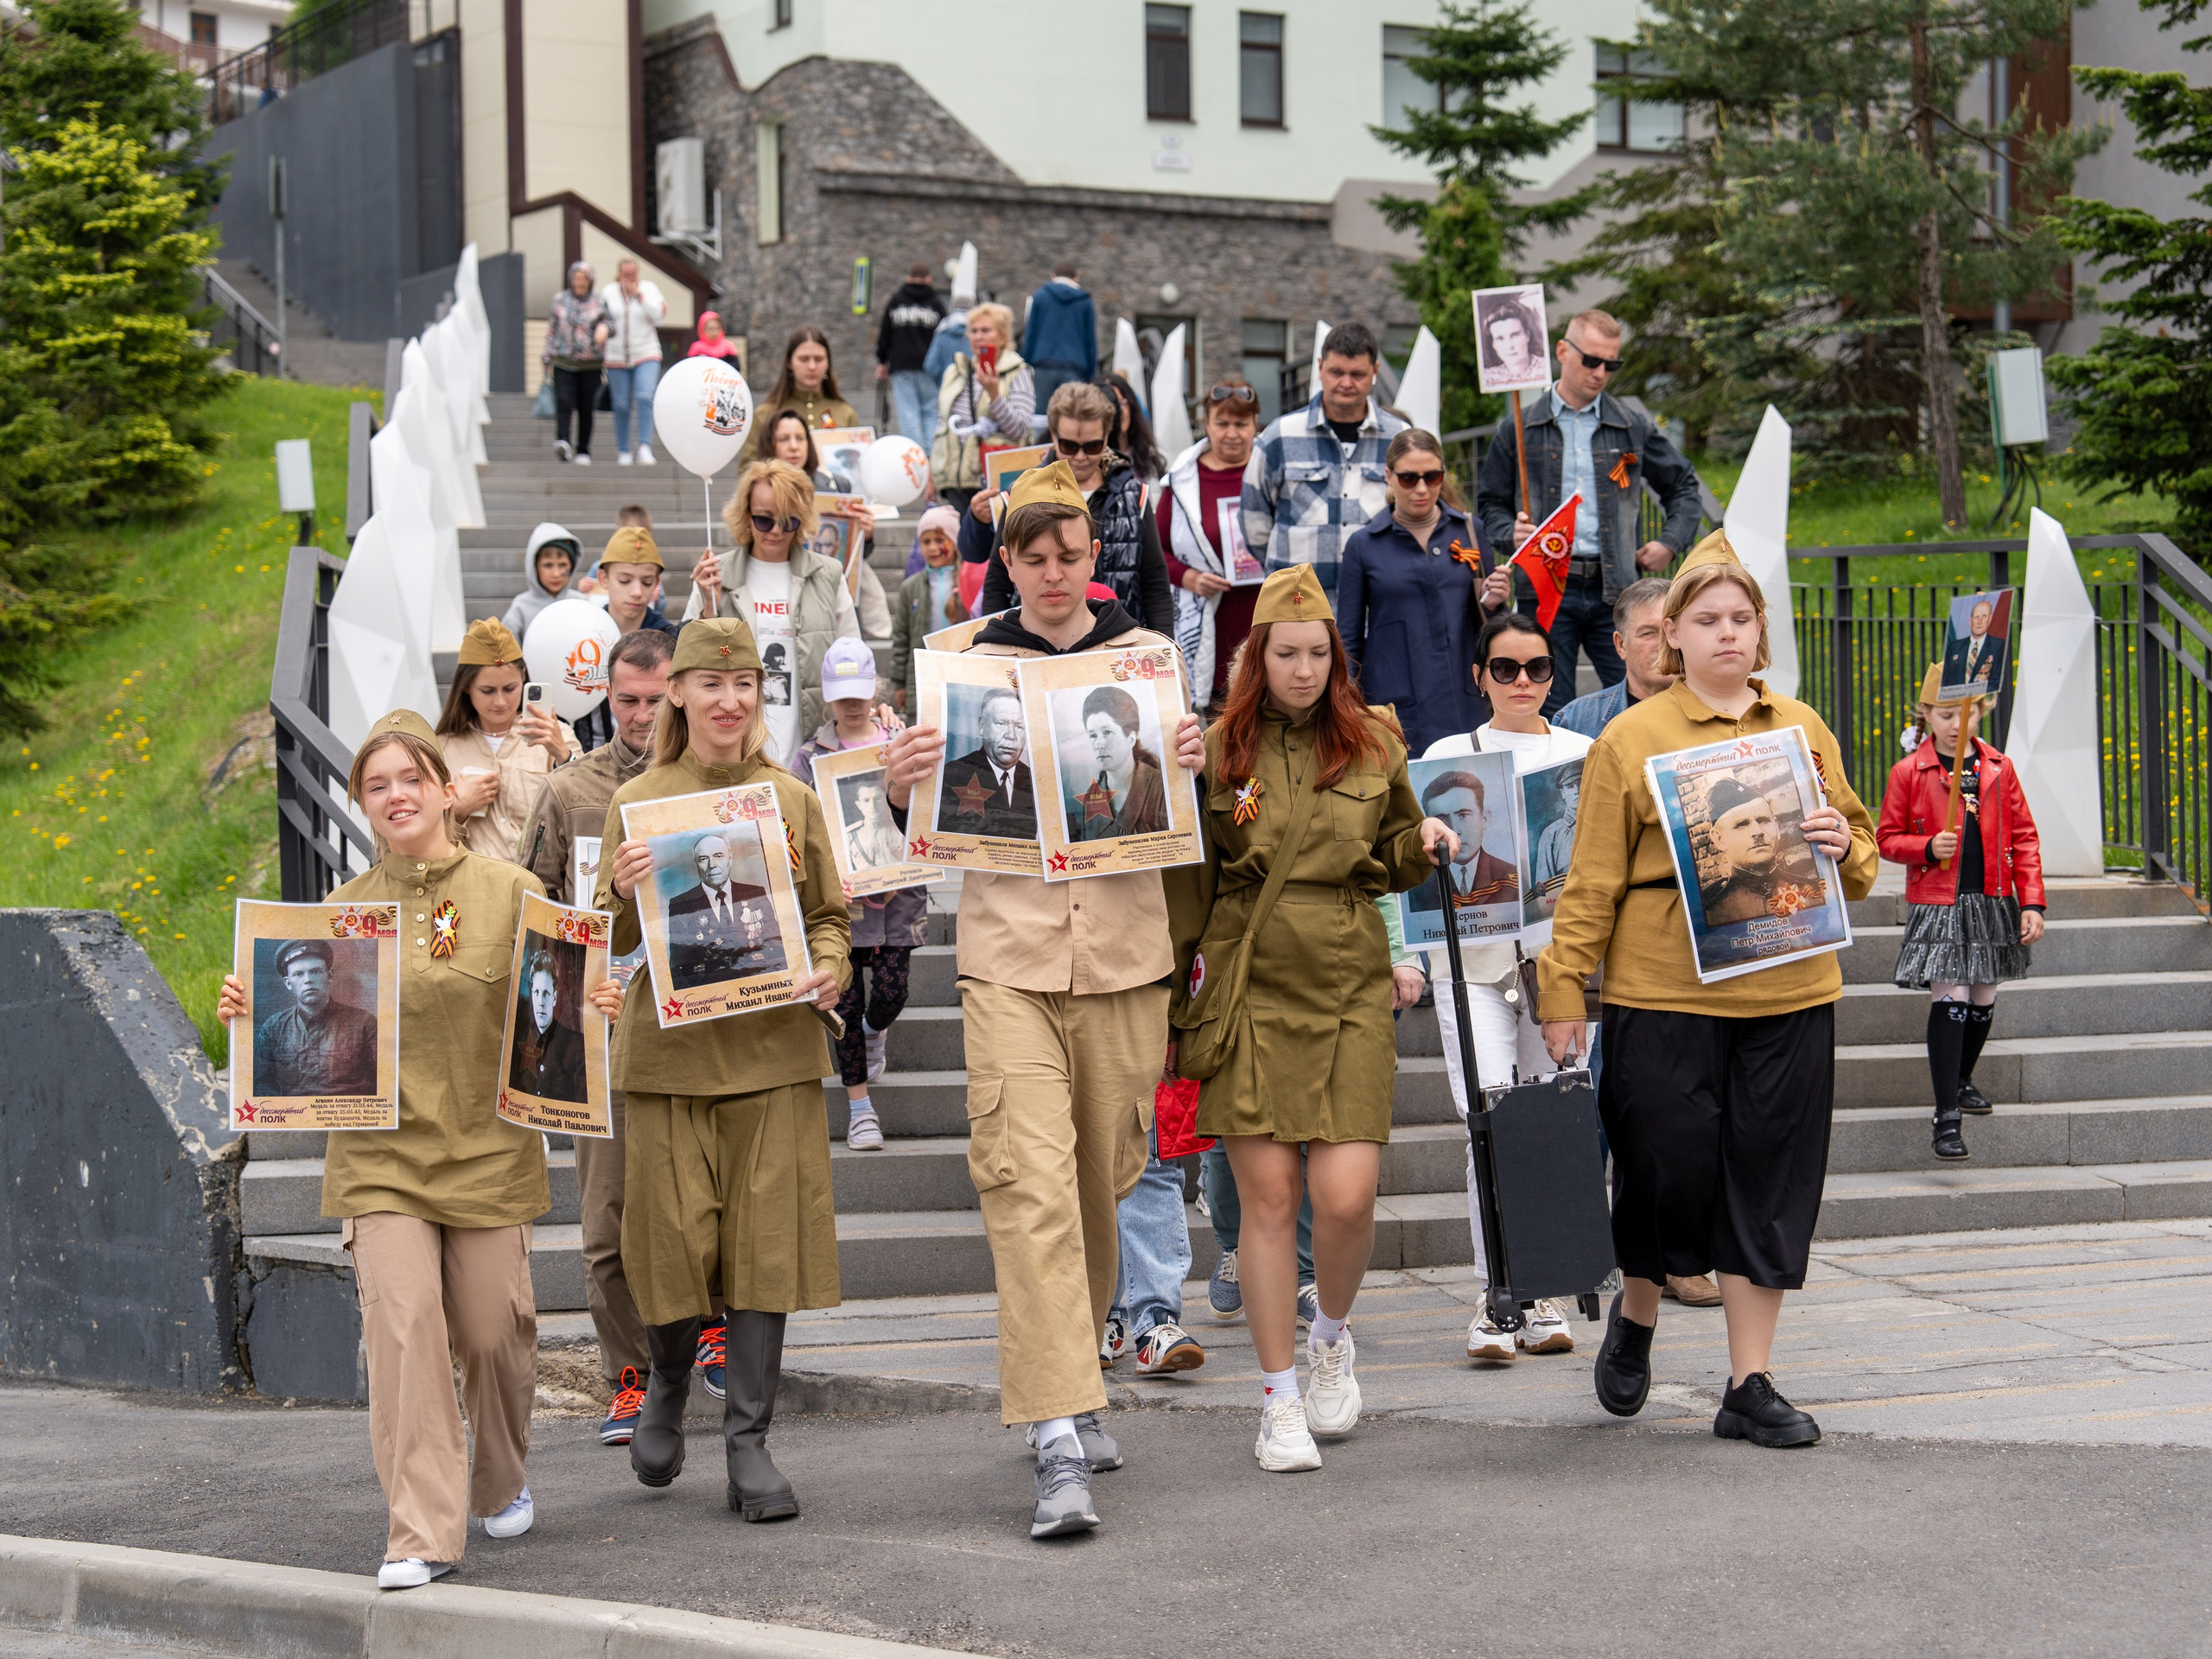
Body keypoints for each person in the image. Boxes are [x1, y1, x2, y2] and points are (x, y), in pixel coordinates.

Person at [881, 460, 1206, 1540]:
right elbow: (919, 827)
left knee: (1100, 1180)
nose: (1055, 571)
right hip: (1007, 961)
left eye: (1070, 553)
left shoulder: (1146, 660)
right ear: (1010, 564)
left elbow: (1183, 811)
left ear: (1093, 556)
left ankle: (1078, 1374)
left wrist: (1193, 758)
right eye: (1034, 556)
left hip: (1124, 961)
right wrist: (901, 782)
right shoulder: (962, 665)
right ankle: (1056, 1432)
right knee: (1026, 1186)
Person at [1535, 540, 1878, 1450]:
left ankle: (1748, 1382)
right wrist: (1562, 987)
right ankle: (1638, 1311)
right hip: (1663, 993)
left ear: (1760, 630)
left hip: (1791, 990)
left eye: (1741, 618)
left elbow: (1860, 849)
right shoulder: (1629, 738)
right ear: (1671, 638)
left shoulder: (1800, 726)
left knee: (1770, 1180)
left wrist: (1842, 844)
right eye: (1705, 620)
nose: (1726, 633)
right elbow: (1591, 879)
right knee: (1662, 1165)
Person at [218, 710, 548, 1588]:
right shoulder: (339, 915)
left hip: (486, 1152)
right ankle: (420, 1532)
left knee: (494, 1335)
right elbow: (295, 1053)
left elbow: (555, 1013)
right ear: (362, 803)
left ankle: (502, 1477)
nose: (396, 795)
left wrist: (592, 1009)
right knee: (404, 1329)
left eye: (411, 778)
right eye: (376, 785)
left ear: (445, 789)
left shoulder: (512, 891)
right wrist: (244, 1016)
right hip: (380, 1161)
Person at [1166, 564, 1453, 1474]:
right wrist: (1175, 1001)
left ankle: (1330, 1334)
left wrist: (1425, 841)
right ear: (1257, 657)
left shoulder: (1374, 743)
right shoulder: (1216, 749)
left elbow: (1395, 850)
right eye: (1285, 654)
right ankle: (1278, 1396)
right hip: (1249, 977)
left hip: (1348, 979)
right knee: (1268, 1202)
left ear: (1337, 657)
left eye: (1317, 654)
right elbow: (1191, 881)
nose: (1302, 670)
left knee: (1347, 1197)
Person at [594, 616, 850, 1522]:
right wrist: (621, 890)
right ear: (678, 693)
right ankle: (667, 1379)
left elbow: (828, 918)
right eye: (711, 683)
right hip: (668, 1061)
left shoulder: (791, 800)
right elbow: (607, 939)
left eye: (744, 684)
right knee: (669, 1244)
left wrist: (831, 967)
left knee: (763, 1248)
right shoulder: (640, 803)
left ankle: (749, 1442)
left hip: (772, 1054)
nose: (729, 700)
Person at [1413, 610, 1593, 1361]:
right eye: (1505, 668)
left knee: (1547, 1121)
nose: (1523, 681)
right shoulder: (1447, 756)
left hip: (1560, 968)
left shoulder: (1584, 754)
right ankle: (1498, 1293)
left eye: (1538, 667)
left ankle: (1540, 1287)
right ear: (1479, 676)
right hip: (1473, 965)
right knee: (1487, 1118)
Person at [1543, 571, 1718, 1306]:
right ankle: (1591, 1253)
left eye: (1669, 629)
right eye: (1647, 632)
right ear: (1618, 644)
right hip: (1595, 930)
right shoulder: (1579, 722)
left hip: (1683, 940)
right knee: (1593, 1101)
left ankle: (1677, 1255)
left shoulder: (1716, 715)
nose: (1660, 645)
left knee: (1674, 1115)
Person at [514, 628, 671, 1444]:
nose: (643, 715)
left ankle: (711, 1339)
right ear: (607, 697)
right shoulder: (570, 790)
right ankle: (629, 1374)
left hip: (692, 1027)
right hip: (599, 1029)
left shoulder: (711, 786)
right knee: (606, 1221)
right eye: (629, 700)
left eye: (657, 699)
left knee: (698, 1207)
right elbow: (529, 907)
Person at [1475, 309, 1705, 716]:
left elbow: (1684, 485)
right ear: (1563, 352)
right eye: (1592, 360)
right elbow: (1490, 503)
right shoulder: (1518, 427)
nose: (1600, 372)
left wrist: (1670, 543)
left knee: (1644, 697)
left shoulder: (1631, 426)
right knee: (1550, 704)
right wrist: (1511, 532)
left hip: (1616, 587)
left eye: (1611, 364)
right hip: (1546, 585)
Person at [1878, 666, 2047, 1161]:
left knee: (1983, 998)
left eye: (1967, 714)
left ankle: (1963, 1077)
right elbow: (1886, 839)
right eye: (1946, 714)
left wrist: (2031, 901)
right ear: (1926, 714)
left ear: (1983, 711)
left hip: (1991, 898)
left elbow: (2024, 837)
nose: (1957, 724)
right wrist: (1927, 847)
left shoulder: (1999, 767)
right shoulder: (1909, 772)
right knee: (1951, 997)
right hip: (1940, 901)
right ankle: (1945, 1115)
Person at [794, 637, 925, 1154]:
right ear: (827, 695)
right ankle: (860, 1108)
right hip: (841, 903)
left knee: (892, 992)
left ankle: (875, 1031)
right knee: (844, 1003)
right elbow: (796, 829)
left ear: (875, 690)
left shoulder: (899, 740)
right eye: (841, 694)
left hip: (899, 896)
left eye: (859, 692)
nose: (851, 704)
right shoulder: (810, 757)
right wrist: (823, 874)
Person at [1335, 428, 1510, 756]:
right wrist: (1347, 705)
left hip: (1467, 696)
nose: (1421, 488)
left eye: (1432, 477)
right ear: (1388, 476)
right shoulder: (1363, 544)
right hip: (1394, 702)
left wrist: (1498, 601)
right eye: (1408, 478)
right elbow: (1347, 638)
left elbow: (1495, 624)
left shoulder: (1470, 530)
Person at [684, 459, 862, 766]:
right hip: (733, 746)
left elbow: (852, 656)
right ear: (746, 515)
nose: (777, 531)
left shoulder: (828, 574)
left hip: (811, 746)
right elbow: (686, 663)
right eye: (764, 520)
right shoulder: (716, 574)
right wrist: (708, 607)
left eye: (789, 520)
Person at [969, 380, 1174, 632]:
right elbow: (997, 582)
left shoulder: (1134, 495)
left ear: (1106, 437)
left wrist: (1165, 646)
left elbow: (1155, 583)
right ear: (1054, 437)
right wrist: (995, 642)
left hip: (1119, 643)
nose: (1080, 457)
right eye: (1069, 446)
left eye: (1092, 446)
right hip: (1036, 642)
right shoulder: (1021, 495)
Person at [1241, 321, 1408, 596]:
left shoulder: (1400, 438)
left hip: (1377, 602)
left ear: (1375, 371)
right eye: (1336, 372)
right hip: (1297, 604)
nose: (1346, 383)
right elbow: (1254, 522)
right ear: (1320, 367)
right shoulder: (1280, 436)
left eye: (1357, 374)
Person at [436, 619, 575, 863]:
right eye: (487, 691)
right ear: (466, 687)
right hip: (472, 883)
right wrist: (458, 810)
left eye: (510, 689)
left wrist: (564, 756)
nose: (500, 701)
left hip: (540, 882)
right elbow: (423, 838)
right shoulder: (441, 747)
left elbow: (586, 812)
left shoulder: (556, 734)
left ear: (523, 679)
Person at [1162, 382, 1260, 711]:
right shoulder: (1182, 480)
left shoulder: (1274, 470)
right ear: (1206, 424)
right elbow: (1157, 551)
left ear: (1255, 424)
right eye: (1222, 423)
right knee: (1223, 723)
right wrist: (1189, 577)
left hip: (1265, 614)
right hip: (1211, 625)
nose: (1232, 433)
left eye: (1241, 423)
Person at [760, 407, 891, 642]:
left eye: (800, 438)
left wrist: (866, 534)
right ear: (770, 445)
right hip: (781, 595)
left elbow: (854, 557)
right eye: (784, 439)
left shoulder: (837, 485)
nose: (794, 446)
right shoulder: (759, 491)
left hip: (833, 594)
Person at [931, 301, 1033, 518]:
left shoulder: (1018, 371)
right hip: (954, 479)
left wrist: (994, 394)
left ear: (1003, 336)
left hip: (992, 480)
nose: (978, 336)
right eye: (973, 331)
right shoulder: (955, 371)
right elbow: (941, 423)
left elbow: (1018, 429)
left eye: (986, 330)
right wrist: (932, 474)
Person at [1553, 576, 1673, 738]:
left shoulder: (1710, 712)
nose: (1664, 644)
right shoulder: (1575, 722)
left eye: (1673, 631)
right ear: (1621, 645)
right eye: (1648, 633)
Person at [256, 938, 378, 1096]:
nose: (308, 980)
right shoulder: (274, 1028)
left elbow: (385, 1080)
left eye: (315, 972)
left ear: (330, 976)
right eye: (298, 974)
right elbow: (261, 1083)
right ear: (288, 983)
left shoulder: (364, 1023)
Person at [1065, 684, 1167, 840]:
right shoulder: (1091, 797)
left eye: (1107, 732)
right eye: (1093, 735)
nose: (1099, 744)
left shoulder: (1161, 788)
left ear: (1131, 738)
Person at [938, 685, 1036, 838]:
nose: (1011, 735)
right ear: (982, 726)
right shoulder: (951, 776)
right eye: (1001, 723)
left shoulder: (1036, 783)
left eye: (1019, 726)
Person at [891, 505, 963, 712]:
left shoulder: (965, 581)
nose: (932, 548)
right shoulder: (910, 587)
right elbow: (901, 636)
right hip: (922, 673)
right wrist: (899, 683)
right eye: (926, 541)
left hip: (958, 668)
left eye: (940, 540)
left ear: (954, 541)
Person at [749, 327, 861, 461]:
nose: (812, 366)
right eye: (804, 359)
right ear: (789, 363)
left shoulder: (846, 414)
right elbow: (748, 467)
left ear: (828, 364)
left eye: (819, 359)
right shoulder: (764, 414)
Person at [599, 258, 665, 467]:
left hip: (646, 353)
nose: (630, 277)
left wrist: (639, 295)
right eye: (626, 274)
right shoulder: (608, 292)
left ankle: (644, 446)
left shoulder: (649, 289)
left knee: (645, 396)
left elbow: (659, 315)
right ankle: (624, 450)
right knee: (621, 405)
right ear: (619, 274)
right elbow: (602, 318)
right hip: (616, 357)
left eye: (633, 273)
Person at [543, 260, 608, 465]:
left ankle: (583, 450)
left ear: (590, 281)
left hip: (591, 363)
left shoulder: (599, 301)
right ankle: (563, 440)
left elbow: (611, 323)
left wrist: (605, 328)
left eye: (584, 279)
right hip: (563, 360)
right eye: (577, 278)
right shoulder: (560, 299)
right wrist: (546, 357)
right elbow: (552, 329)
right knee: (564, 400)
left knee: (586, 407)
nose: (580, 282)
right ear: (571, 280)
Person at [875, 262, 948, 447]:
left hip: (902, 366)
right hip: (929, 367)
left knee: (909, 414)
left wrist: (882, 361)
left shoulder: (896, 301)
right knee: (930, 412)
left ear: (908, 278)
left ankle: (916, 455)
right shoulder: (936, 303)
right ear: (928, 279)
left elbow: (885, 334)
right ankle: (931, 454)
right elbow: (944, 334)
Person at [510, 947, 587, 1103]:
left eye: (546, 993)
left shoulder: (575, 1044)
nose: (540, 1003)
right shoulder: (516, 1036)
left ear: (554, 998)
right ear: (532, 995)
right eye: (536, 993)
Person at [1022, 260, 1098, 413]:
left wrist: (1026, 366)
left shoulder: (1040, 296)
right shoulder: (1085, 301)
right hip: (1074, 367)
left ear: (1053, 276)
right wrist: (1091, 374)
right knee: (1071, 415)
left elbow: (1030, 334)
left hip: (1043, 365)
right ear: (1076, 279)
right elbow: (1090, 340)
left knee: (1040, 416)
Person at [503, 523, 583, 639]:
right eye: (548, 565)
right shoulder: (521, 606)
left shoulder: (581, 603)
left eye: (563, 565)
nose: (556, 574)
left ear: (572, 566)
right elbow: (507, 645)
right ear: (534, 567)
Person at [1102, 371, 1165, 486]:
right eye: (1112, 405)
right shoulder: (1096, 460)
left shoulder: (1148, 454)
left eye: (1122, 404)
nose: (1119, 412)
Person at [1942, 597, 2006, 693]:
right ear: (1970, 621)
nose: (1979, 621)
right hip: (1955, 700)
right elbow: (1945, 680)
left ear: (1990, 619)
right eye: (1976, 617)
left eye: (1984, 616)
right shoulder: (1955, 647)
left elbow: (1997, 681)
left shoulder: (1997, 646)